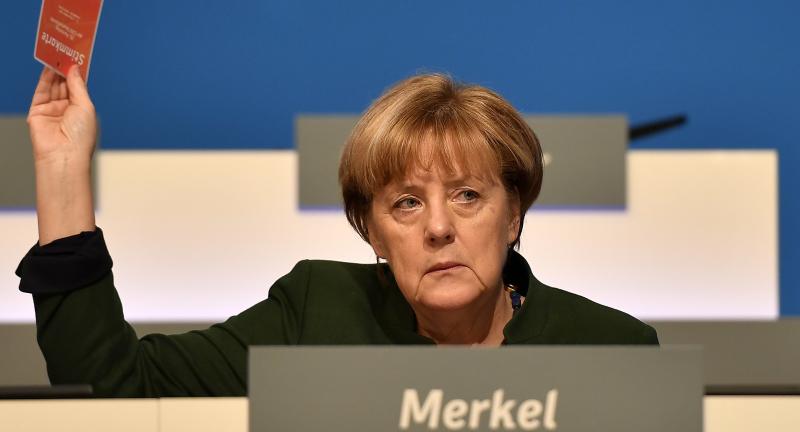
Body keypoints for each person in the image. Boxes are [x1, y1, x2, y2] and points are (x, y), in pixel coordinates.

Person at [17, 65, 658, 398]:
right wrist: (62, 167)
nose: (438, 227)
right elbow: (114, 388)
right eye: (406, 204)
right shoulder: (316, 313)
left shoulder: (613, 350)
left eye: (468, 196)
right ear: (370, 232)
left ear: (514, 214)